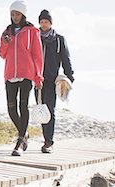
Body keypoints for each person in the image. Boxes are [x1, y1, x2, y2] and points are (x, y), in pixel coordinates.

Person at [0, 0, 43, 156]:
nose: (15, 17)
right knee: (11, 109)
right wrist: (5, 43)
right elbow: (2, 54)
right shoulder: (6, 32)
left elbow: (37, 55)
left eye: (17, 14)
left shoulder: (32, 32)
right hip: (10, 74)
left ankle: (19, 143)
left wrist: (38, 76)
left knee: (23, 106)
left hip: (26, 74)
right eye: (12, 14)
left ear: (23, 14)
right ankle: (24, 133)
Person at [37, 9, 74, 153]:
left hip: (52, 80)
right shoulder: (35, 37)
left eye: (46, 22)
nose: (44, 24)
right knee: (41, 110)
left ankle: (48, 141)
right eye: (41, 22)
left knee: (50, 109)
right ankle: (45, 137)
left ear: (51, 23)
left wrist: (69, 76)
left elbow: (66, 58)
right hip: (37, 80)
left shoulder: (59, 39)